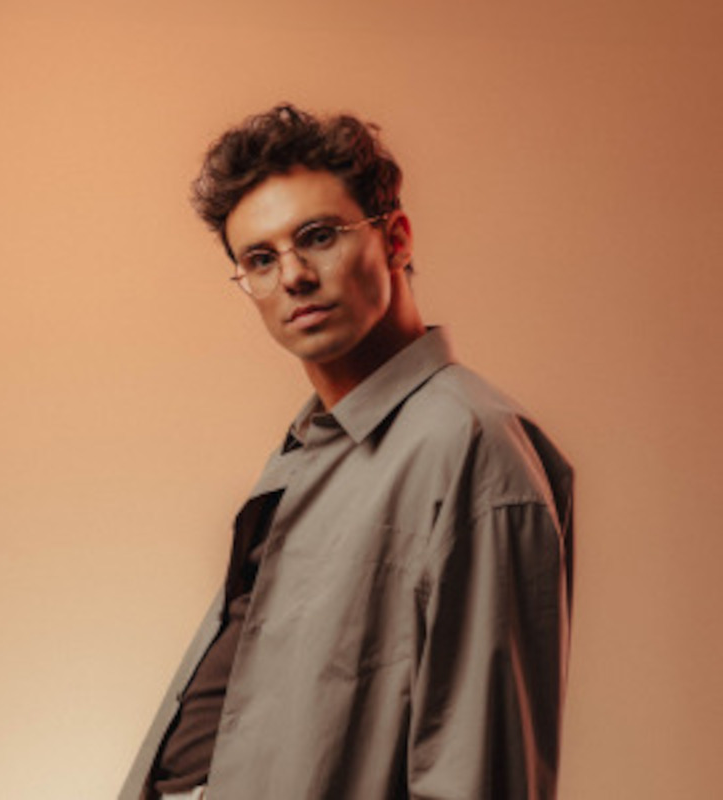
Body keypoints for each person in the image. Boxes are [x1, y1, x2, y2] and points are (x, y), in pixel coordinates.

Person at [119, 104, 574, 800]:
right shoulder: (313, 442)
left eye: (319, 236)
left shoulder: (470, 446)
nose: (293, 276)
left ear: (396, 239)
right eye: (260, 259)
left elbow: (481, 769)